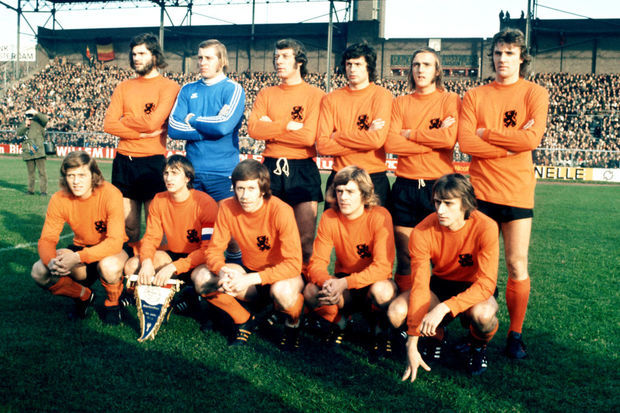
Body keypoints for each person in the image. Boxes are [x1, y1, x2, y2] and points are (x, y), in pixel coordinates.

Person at [458, 28, 549, 359]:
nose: (502, 59)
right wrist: (508, 147)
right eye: (498, 53)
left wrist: (488, 134)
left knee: (516, 263)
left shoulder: (535, 93)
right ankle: (477, 333)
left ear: (522, 57)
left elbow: (531, 140)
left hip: (517, 192)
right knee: (479, 267)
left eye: (510, 53)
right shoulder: (475, 95)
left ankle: (515, 333)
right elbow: (466, 142)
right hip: (480, 191)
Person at [384, 47, 460, 331]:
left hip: (438, 189)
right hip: (405, 185)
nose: (420, 69)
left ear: (437, 70)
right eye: (416, 64)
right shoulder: (400, 102)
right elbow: (391, 143)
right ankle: (406, 323)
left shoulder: (450, 100)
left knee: (438, 260)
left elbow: (449, 140)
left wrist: (411, 134)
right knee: (406, 258)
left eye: (427, 64)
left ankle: (434, 324)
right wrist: (431, 139)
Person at [400, 174, 500, 381]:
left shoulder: (486, 226)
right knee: (396, 311)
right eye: (437, 202)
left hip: (473, 285)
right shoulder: (422, 230)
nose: (440, 210)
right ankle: (436, 337)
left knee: (484, 315)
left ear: (465, 203)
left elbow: (487, 283)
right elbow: (420, 285)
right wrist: (412, 340)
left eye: (448, 203)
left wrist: (444, 308)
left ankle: (477, 345)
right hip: (441, 284)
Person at [199, 159, 304, 349]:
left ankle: (293, 324)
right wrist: (221, 270)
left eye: (251, 189)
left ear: (262, 189)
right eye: (240, 189)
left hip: (282, 276)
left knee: (282, 292)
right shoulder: (227, 207)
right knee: (202, 278)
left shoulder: (281, 210)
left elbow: (294, 264)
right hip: (250, 274)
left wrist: (249, 279)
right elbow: (213, 250)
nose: (244, 196)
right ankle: (243, 320)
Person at [248, 38, 325, 276]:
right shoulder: (266, 93)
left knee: (305, 239)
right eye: (276, 57)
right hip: (270, 168)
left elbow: (308, 137)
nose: (278, 62)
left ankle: (302, 288)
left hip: (302, 168)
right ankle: (269, 286)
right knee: (268, 237)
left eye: (284, 57)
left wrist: (271, 128)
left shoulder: (315, 95)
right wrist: (287, 126)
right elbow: (254, 129)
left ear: (299, 61)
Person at [305, 166, 396, 359]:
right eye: (339, 191)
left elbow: (382, 267)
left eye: (350, 192)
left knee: (383, 292)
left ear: (365, 194)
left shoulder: (380, 216)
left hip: (373, 283)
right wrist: (328, 282)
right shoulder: (329, 216)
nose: (343, 197)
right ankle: (340, 322)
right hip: (343, 283)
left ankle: (380, 330)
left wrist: (344, 283)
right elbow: (317, 263)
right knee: (311, 291)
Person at [168, 39, 246, 263]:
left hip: (223, 173)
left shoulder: (233, 89)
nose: (202, 62)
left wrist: (193, 119)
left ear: (221, 61)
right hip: (192, 172)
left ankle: (236, 271)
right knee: (192, 230)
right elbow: (174, 128)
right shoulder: (188, 89)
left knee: (230, 233)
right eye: (200, 57)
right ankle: (192, 277)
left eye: (209, 58)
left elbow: (224, 126)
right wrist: (209, 128)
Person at [31, 151, 129, 325]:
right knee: (39, 271)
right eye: (71, 176)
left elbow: (115, 242)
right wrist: (51, 261)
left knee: (109, 266)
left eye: (82, 175)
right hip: (82, 249)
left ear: (93, 175)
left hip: (111, 250)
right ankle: (84, 296)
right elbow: (47, 239)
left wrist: (76, 257)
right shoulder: (59, 199)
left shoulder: (110, 193)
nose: (76, 181)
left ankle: (112, 304)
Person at [103, 33, 181, 243]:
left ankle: (155, 263)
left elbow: (153, 123)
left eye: (142, 53)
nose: (136, 58)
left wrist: (126, 120)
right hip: (124, 161)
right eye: (134, 54)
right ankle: (128, 264)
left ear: (154, 55)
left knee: (156, 228)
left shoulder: (170, 87)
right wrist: (139, 134)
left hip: (152, 162)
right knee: (128, 227)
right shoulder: (123, 87)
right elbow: (108, 124)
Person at [123, 155, 218, 311]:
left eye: (174, 173)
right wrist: (146, 261)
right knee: (132, 265)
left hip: (199, 260)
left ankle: (194, 297)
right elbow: (151, 238)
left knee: (204, 278)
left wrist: (174, 267)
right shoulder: (159, 199)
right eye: (166, 173)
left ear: (187, 178)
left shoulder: (205, 203)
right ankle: (140, 297)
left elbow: (208, 250)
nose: (168, 178)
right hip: (172, 254)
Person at [317, 42, 393, 206]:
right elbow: (323, 146)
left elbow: (376, 141)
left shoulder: (382, 96)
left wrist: (338, 136)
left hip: (373, 176)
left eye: (358, 64)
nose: (352, 69)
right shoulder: (331, 99)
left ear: (368, 67)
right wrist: (365, 139)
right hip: (340, 176)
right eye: (349, 64)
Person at [17, 107, 49, 196]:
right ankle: (30, 190)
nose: (30, 116)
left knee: (42, 172)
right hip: (28, 151)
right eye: (28, 114)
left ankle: (43, 191)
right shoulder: (24, 123)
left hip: (38, 149)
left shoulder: (39, 121)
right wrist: (25, 125)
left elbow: (45, 120)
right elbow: (19, 132)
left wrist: (36, 113)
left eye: (31, 114)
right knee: (31, 173)